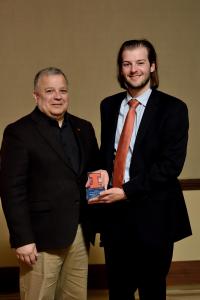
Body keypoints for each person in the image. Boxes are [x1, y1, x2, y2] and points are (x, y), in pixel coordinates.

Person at [88, 40, 192, 300]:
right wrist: (101, 170)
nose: (134, 69)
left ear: (152, 66)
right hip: (116, 217)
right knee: (119, 291)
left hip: (154, 214)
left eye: (140, 62)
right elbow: (108, 153)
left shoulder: (174, 108)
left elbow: (170, 165)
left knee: (152, 290)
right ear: (121, 69)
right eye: (127, 63)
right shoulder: (108, 106)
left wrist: (127, 191)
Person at [0, 67, 101, 300]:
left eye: (63, 90)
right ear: (36, 96)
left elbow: (95, 170)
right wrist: (22, 239)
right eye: (50, 91)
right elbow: (11, 190)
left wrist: (103, 175)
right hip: (40, 239)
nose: (58, 96)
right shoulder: (19, 132)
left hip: (78, 233)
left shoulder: (83, 128)